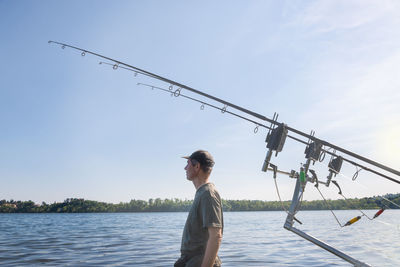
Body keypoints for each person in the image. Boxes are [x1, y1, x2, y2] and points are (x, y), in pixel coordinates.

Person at [174, 150, 224, 267]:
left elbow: (216, 236)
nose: (185, 168)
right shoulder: (202, 193)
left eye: (188, 163)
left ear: (197, 166)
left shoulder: (208, 194)